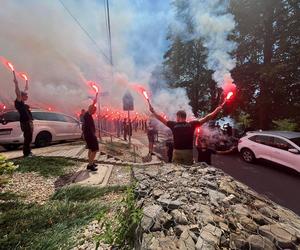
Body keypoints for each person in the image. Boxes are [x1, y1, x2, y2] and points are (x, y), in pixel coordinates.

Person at [149, 101, 226, 165]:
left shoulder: (174, 125)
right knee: (188, 169)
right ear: (185, 117)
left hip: (177, 152)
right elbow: (207, 118)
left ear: (178, 117)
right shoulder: (192, 124)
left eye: (177, 117)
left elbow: (161, 119)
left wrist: (153, 112)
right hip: (188, 152)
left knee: (176, 169)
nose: (176, 118)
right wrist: (216, 110)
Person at [14, 78, 33, 157]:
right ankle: (26, 153)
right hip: (25, 122)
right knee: (27, 137)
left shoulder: (23, 103)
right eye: (26, 95)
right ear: (21, 96)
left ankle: (28, 151)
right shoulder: (19, 102)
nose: (27, 96)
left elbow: (25, 90)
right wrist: (16, 84)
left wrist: (26, 82)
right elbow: (18, 92)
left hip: (28, 122)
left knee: (29, 137)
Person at [82, 105, 99, 171]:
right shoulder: (87, 115)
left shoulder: (88, 115)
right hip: (90, 136)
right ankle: (90, 165)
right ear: (91, 109)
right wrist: (94, 101)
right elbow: (91, 107)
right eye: (94, 110)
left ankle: (91, 163)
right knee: (94, 150)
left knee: (90, 149)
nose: (95, 112)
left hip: (89, 135)